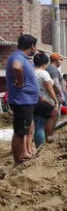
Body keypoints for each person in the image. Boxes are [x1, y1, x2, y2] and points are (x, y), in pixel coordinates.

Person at [6, 34, 39, 164]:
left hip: (28, 100)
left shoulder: (23, 57)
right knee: (20, 132)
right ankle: (18, 160)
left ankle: (25, 152)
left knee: (27, 128)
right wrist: (20, 81)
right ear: (32, 46)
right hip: (22, 100)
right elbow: (16, 67)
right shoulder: (17, 56)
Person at [33, 52, 59, 143]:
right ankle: (49, 137)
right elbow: (49, 88)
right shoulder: (43, 73)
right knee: (54, 113)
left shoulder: (31, 72)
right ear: (45, 63)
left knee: (38, 125)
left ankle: (39, 146)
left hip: (32, 101)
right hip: (43, 101)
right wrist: (56, 101)